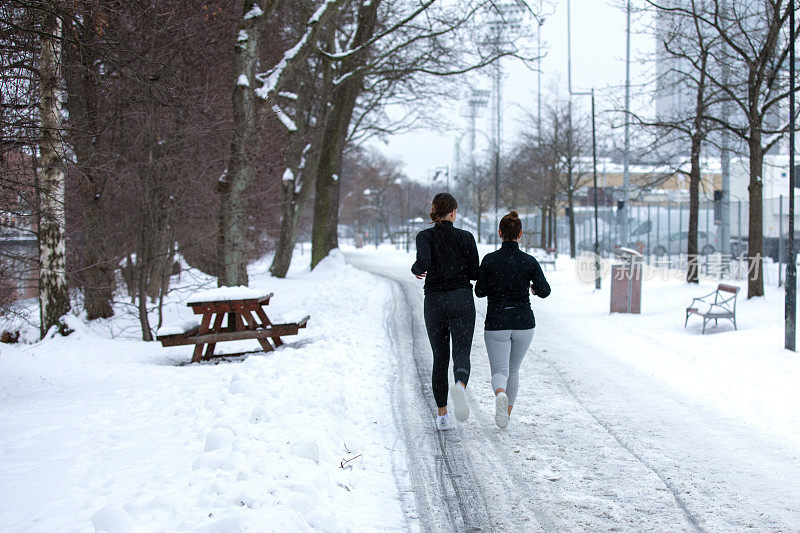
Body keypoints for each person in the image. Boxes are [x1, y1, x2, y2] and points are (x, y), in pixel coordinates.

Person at [475, 211, 550, 428]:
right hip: (524, 322)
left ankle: (500, 394)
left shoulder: (490, 260)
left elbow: (479, 291)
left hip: (497, 321)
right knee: (514, 370)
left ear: (500, 233)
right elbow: (545, 290)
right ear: (520, 234)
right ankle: (506, 415)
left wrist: (493, 285)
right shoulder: (529, 261)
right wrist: (533, 289)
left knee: (500, 371)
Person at [411, 193, 480, 431]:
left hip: (435, 301)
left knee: (440, 358)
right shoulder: (466, 237)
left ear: (434, 211)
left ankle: (442, 415)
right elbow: (474, 272)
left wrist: (415, 268)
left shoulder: (424, 236)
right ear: (452, 212)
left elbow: (423, 263)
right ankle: (459, 386)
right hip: (461, 298)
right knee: (461, 352)